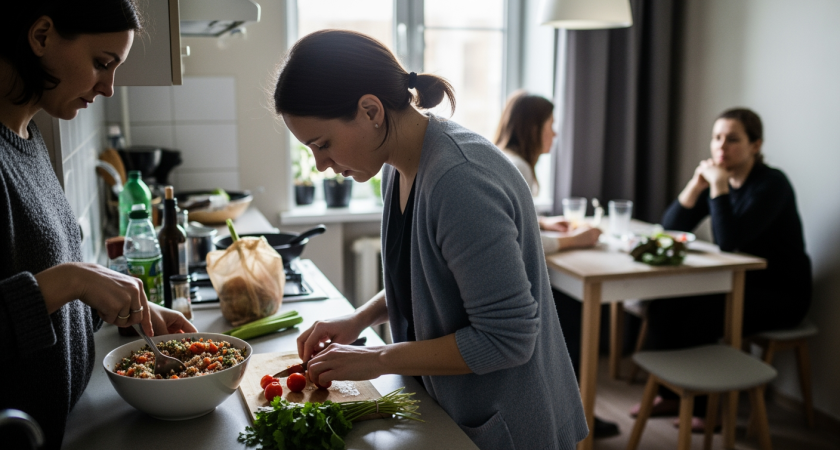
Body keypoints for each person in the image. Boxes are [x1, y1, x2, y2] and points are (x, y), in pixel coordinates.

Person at [276, 30, 589, 449]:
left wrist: (378, 359)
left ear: (371, 111)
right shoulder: (396, 165)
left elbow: (508, 339)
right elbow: (428, 282)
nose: (319, 165)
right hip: (454, 412)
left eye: (323, 144)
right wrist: (360, 319)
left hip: (509, 427)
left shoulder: (459, 180)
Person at [0, 2, 196, 448]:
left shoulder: (28, 140)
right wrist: (71, 279)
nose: (108, 88)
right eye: (101, 64)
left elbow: (42, 300)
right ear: (42, 35)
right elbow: (51, 287)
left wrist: (125, 307)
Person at [631, 107, 812, 430]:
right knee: (663, 303)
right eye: (716, 138)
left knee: (698, 317)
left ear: (755, 145)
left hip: (781, 293)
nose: (721, 147)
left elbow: (730, 240)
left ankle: (706, 410)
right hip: (739, 283)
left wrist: (717, 187)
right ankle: (670, 394)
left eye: (732, 140)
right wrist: (695, 186)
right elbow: (668, 229)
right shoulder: (719, 179)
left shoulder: (772, 185)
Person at [494, 90, 621, 438]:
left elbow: (516, 221)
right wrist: (574, 240)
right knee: (575, 314)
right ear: (533, 128)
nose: (556, 133)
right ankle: (575, 414)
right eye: (551, 125)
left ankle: (571, 409)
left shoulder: (506, 159)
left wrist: (545, 223)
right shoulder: (518, 166)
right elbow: (522, 241)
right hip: (524, 289)